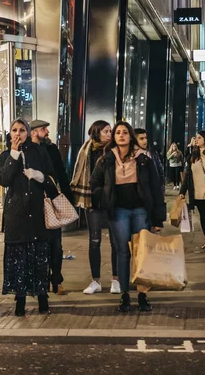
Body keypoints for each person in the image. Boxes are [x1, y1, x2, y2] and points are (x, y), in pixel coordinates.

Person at [91, 121, 165, 312]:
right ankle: (124, 294)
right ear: (114, 137)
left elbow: (156, 189)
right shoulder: (107, 159)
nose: (121, 135)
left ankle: (142, 294)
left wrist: (158, 219)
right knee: (123, 252)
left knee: (141, 252)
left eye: (125, 132)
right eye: (118, 133)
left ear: (130, 136)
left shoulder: (144, 159)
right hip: (119, 211)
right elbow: (95, 184)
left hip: (141, 210)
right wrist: (105, 196)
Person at [0, 118, 59, 316]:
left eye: (22, 130)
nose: (18, 134)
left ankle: (43, 298)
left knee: (40, 257)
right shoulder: (6, 155)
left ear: (28, 132)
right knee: (19, 259)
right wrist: (14, 155)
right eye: (14, 130)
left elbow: (52, 180)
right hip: (17, 214)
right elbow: (4, 180)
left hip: (38, 212)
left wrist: (40, 176)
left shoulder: (39, 151)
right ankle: (20, 300)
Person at [70, 120, 120, 295]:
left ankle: (116, 279)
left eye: (110, 131)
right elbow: (81, 173)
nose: (110, 133)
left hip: (113, 200)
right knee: (94, 241)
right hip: (92, 200)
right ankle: (96, 281)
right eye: (106, 131)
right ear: (97, 132)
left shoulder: (115, 150)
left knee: (116, 242)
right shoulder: (86, 150)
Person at [30, 119, 72, 296]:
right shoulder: (25, 151)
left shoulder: (51, 149)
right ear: (33, 132)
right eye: (43, 129)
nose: (47, 131)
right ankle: (40, 281)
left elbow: (61, 173)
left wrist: (68, 197)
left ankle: (56, 281)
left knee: (56, 243)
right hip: (32, 203)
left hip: (52, 199)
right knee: (37, 245)